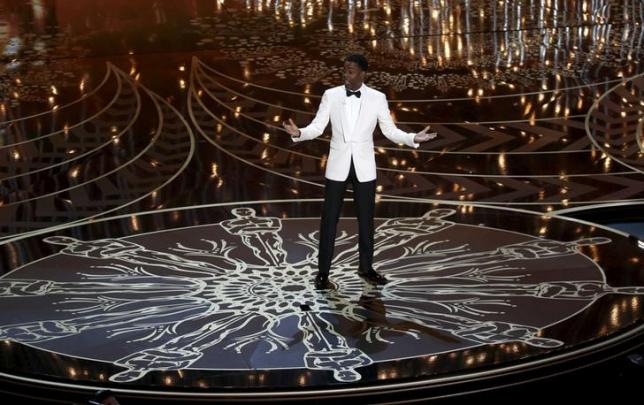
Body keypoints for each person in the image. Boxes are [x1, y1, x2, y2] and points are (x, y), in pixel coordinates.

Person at [282, 54, 437, 289]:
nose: (347, 75)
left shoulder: (377, 98)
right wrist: (298, 133)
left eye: (351, 71)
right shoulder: (331, 95)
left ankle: (366, 268)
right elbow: (317, 126)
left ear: (363, 73)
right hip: (337, 167)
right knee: (329, 221)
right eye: (345, 70)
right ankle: (322, 273)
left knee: (366, 221)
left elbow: (389, 130)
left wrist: (412, 137)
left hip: (364, 168)